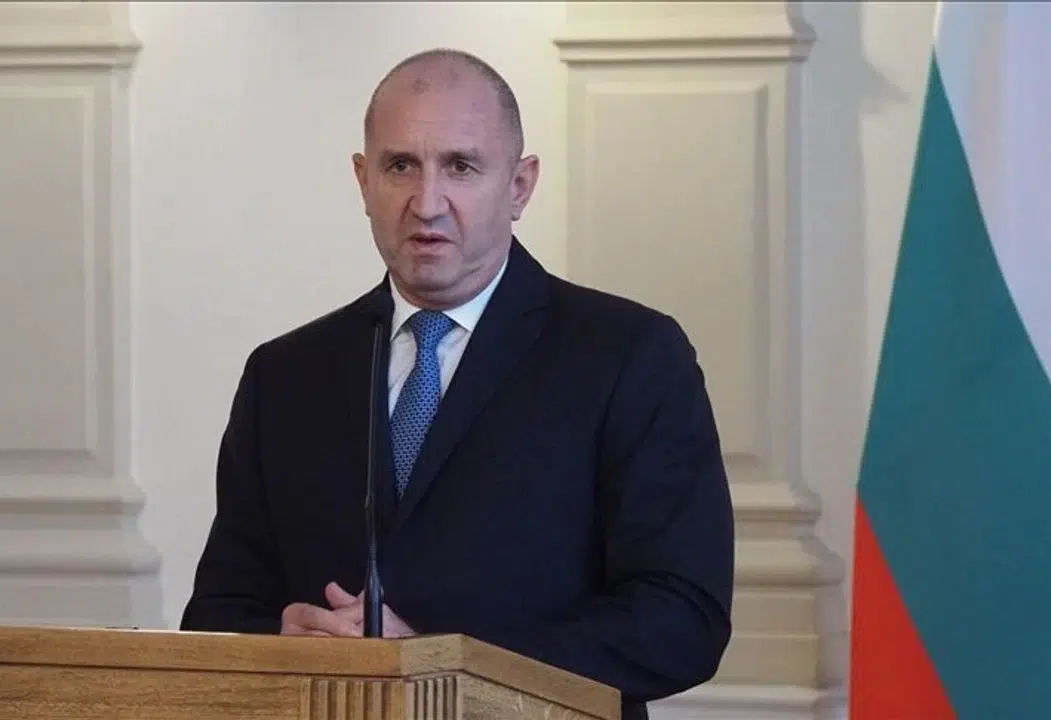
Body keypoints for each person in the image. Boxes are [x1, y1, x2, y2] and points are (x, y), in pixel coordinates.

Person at [180, 48, 735, 720]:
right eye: (400, 166)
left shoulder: (628, 354)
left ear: (520, 186)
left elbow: (681, 618)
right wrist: (279, 641)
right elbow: (217, 613)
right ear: (362, 180)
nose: (427, 203)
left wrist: (453, 665)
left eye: (461, 167)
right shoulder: (285, 374)